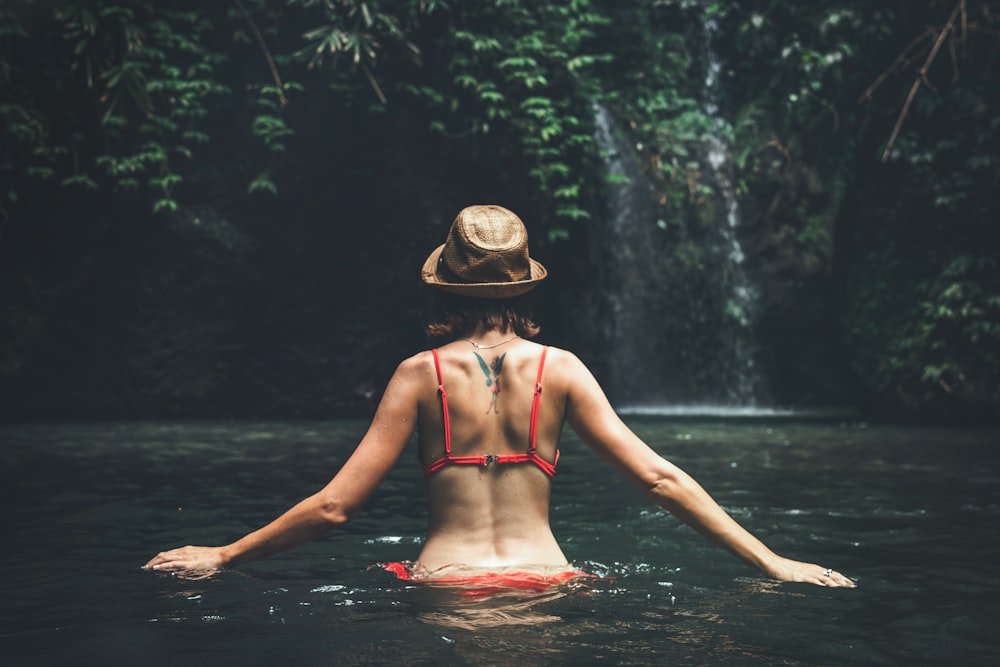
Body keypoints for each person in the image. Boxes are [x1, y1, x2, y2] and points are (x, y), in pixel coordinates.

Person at [144, 204, 856, 589]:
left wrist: (226, 554)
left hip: (442, 583)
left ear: (444, 287)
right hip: (549, 581)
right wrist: (773, 561)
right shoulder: (565, 369)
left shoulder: (416, 373)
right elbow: (660, 478)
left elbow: (335, 506)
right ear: (527, 286)